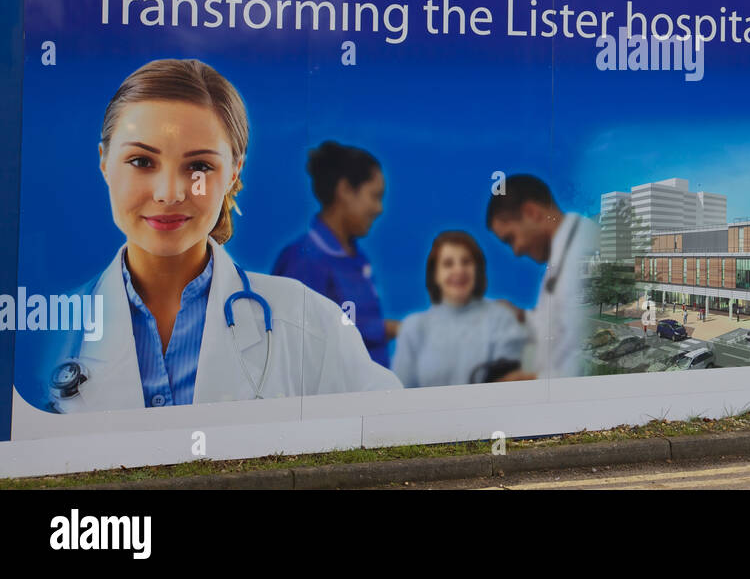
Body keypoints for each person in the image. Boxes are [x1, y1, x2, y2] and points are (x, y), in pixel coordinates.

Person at [47, 59, 400, 413]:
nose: (169, 193)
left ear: (234, 171)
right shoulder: (45, 334)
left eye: (199, 166)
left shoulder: (311, 324)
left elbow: (393, 430)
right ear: (104, 162)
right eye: (141, 161)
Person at [273, 141, 400, 367]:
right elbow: (302, 335)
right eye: (375, 196)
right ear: (345, 191)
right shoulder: (305, 259)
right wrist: (385, 329)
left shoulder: (357, 259)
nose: (379, 209)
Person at [486, 174, 597, 380]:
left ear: (532, 213)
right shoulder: (561, 256)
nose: (516, 251)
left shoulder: (581, 253)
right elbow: (557, 326)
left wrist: (526, 380)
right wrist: (521, 316)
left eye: (511, 238)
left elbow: (584, 359)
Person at [392, 231, 527, 387]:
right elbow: (401, 392)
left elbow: (508, 386)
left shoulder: (501, 319)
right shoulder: (413, 327)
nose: (459, 270)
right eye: (448, 264)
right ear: (435, 274)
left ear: (477, 269)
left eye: (466, 262)